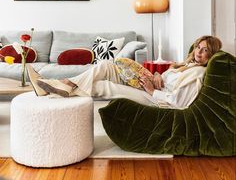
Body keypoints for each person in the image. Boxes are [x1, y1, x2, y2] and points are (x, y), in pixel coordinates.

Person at [27, 35, 222, 109]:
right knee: (105, 66)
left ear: (211, 55)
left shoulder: (197, 74)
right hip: (150, 85)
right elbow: (164, 78)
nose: (200, 53)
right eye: (199, 47)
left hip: (156, 99)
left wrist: (153, 91)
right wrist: (155, 76)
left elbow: (180, 102)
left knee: (102, 86)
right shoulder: (184, 66)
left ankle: (55, 87)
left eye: (206, 51)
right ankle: (65, 86)